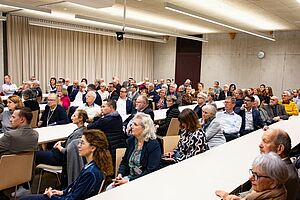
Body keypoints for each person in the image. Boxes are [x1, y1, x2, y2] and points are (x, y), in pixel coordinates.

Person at [20, 129, 114, 200]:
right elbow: (75, 189)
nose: (78, 146)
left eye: (82, 143)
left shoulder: (91, 172)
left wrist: (52, 196)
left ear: (93, 148)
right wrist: (61, 192)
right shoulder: (92, 166)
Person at [107, 113, 161, 189]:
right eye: (132, 124)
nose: (131, 126)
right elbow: (124, 162)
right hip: (129, 177)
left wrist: (129, 181)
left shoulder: (153, 144)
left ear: (144, 128)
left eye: (135, 124)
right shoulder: (131, 141)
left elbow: (151, 170)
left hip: (144, 182)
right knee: (109, 188)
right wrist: (120, 174)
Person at [216, 152, 288, 200]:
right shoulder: (275, 192)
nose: (250, 178)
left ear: (273, 183)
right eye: (252, 173)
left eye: (256, 175)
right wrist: (227, 197)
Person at [259, 128, 300, 200]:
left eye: (265, 141)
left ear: (280, 149)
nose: (260, 145)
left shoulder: (282, 177)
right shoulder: (278, 168)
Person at [87, 99, 126, 165]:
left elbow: (90, 127)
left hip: (108, 149)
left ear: (110, 107)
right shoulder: (118, 117)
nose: (101, 109)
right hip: (117, 148)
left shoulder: (105, 120)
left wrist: (97, 116)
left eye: (103, 107)